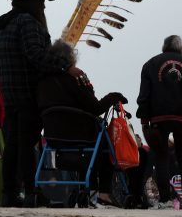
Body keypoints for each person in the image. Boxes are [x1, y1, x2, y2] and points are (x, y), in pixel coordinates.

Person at [0, 0, 77, 207]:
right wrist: (65, 66)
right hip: (29, 93)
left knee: (12, 146)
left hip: (10, 94)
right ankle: (31, 192)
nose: (43, 6)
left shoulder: (4, 26)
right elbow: (35, 55)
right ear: (31, 3)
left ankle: (9, 193)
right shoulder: (28, 23)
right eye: (41, 1)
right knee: (26, 146)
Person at [37, 40, 127, 206]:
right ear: (70, 58)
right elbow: (95, 107)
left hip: (53, 136)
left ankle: (87, 190)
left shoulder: (41, 80)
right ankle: (103, 193)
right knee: (104, 139)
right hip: (80, 134)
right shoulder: (76, 77)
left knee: (95, 141)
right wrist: (114, 96)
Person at [137, 35, 182, 209]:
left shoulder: (150, 64)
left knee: (161, 157)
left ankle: (165, 201)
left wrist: (145, 120)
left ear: (164, 47)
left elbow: (144, 95)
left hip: (157, 119)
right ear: (181, 48)